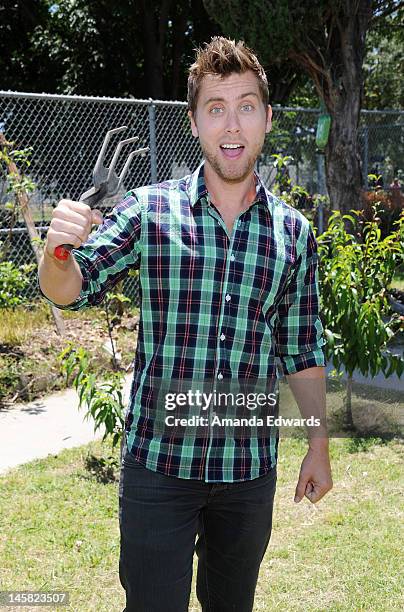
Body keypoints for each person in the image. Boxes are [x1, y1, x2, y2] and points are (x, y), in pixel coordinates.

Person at [38, 37, 333, 612]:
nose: (231, 123)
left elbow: (302, 348)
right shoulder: (148, 212)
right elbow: (71, 290)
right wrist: (58, 253)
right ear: (195, 123)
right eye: (215, 108)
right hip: (159, 469)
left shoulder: (293, 233)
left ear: (267, 119)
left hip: (248, 472)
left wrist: (318, 443)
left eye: (246, 105)